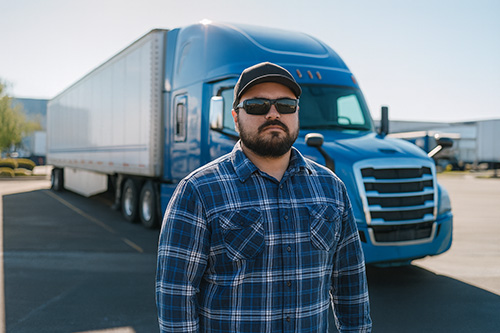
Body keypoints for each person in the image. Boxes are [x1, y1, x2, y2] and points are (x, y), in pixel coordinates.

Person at [156, 62, 372, 332]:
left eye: (286, 105)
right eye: (257, 105)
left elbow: (350, 284)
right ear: (235, 117)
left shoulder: (332, 189)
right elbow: (177, 294)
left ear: (296, 114)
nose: (273, 114)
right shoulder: (198, 190)